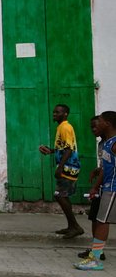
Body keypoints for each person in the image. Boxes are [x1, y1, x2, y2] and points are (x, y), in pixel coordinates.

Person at [74, 111, 116, 271]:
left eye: (100, 121)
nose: (96, 125)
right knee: (100, 221)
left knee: (102, 221)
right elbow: (105, 169)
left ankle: (96, 259)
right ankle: (96, 256)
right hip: (107, 187)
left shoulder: (114, 143)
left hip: (113, 188)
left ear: (108, 124)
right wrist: (95, 186)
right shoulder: (107, 143)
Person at [38, 104, 83, 239]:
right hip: (67, 166)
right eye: (54, 112)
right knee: (62, 196)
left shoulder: (65, 127)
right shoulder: (61, 127)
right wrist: (51, 150)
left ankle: (76, 227)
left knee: (60, 195)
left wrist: (60, 167)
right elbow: (64, 148)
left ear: (65, 114)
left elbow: (69, 149)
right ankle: (72, 226)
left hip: (69, 167)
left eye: (57, 112)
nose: (54, 114)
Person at [78, 116, 106, 260]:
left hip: (107, 186)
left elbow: (109, 168)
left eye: (96, 126)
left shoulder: (111, 143)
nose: (93, 129)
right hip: (104, 185)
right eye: (91, 127)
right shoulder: (102, 143)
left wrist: (95, 187)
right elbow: (104, 165)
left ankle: (97, 252)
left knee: (101, 220)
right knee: (96, 218)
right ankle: (97, 250)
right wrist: (98, 169)